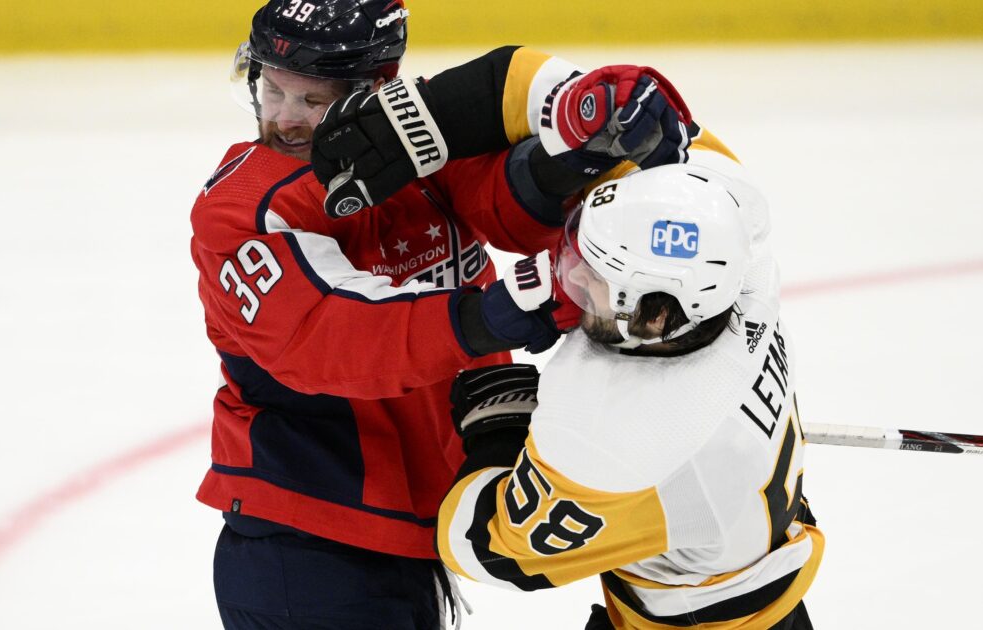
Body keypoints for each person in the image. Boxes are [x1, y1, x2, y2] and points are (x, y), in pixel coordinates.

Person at [190, 1, 700, 628]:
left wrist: (577, 156)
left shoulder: (400, 152)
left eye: (312, 100)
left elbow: (498, 199)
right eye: (273, 90)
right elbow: (334, 336)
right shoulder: (244, 207)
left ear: (375, 90)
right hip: (305, 542)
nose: (286, 119)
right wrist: (496, 314)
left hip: (405, 534)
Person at [438, 154, 824, 629]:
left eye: (598, 275)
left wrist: (498, 433)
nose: (571, 277)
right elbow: (679, 168)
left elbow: (484, 548)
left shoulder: (620, 437)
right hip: (757, 586)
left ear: (657, 316)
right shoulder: (740, 258)